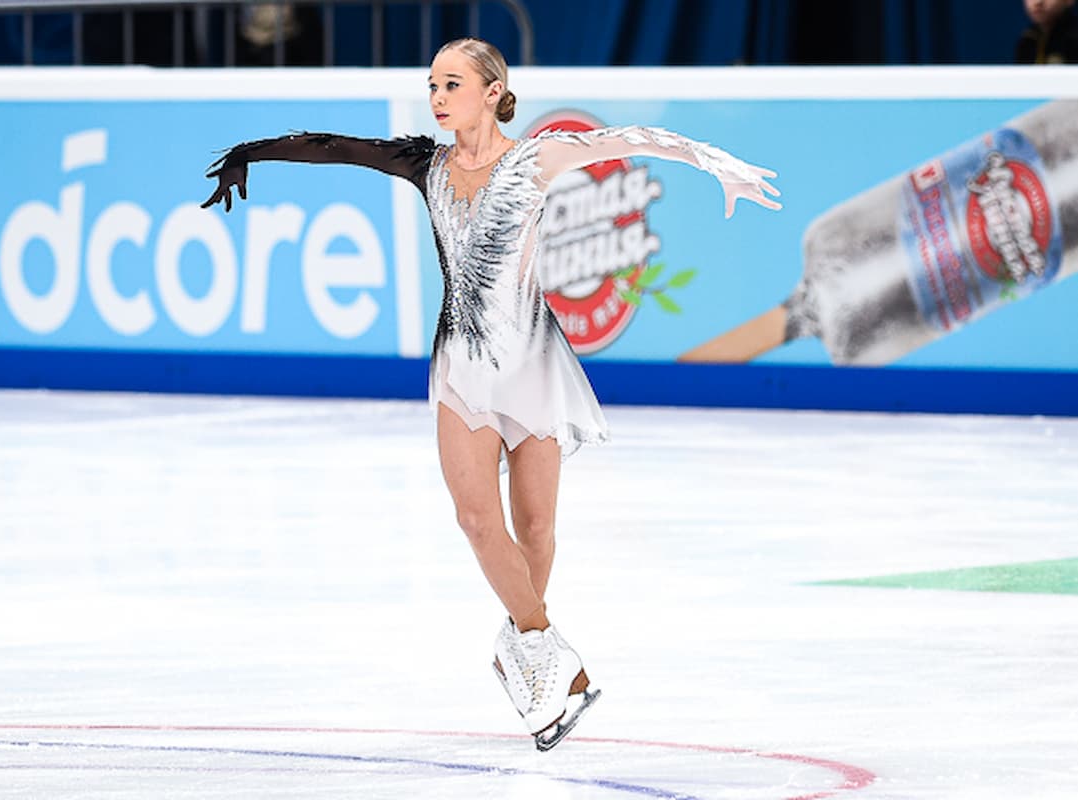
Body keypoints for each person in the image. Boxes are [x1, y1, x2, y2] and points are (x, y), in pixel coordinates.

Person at [201, 37, 780, 750]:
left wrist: (713, 163)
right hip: (463, 371)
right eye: (432, 85)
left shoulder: (537, 157)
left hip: (533, 364)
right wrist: (249, 152)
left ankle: (528, 656)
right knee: (477, 521)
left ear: (491, 89)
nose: (438, 97)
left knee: (535, 527)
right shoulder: (426, 163)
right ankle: (545, 653)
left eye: (451, 84)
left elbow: (631, 138)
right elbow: (337, 148)